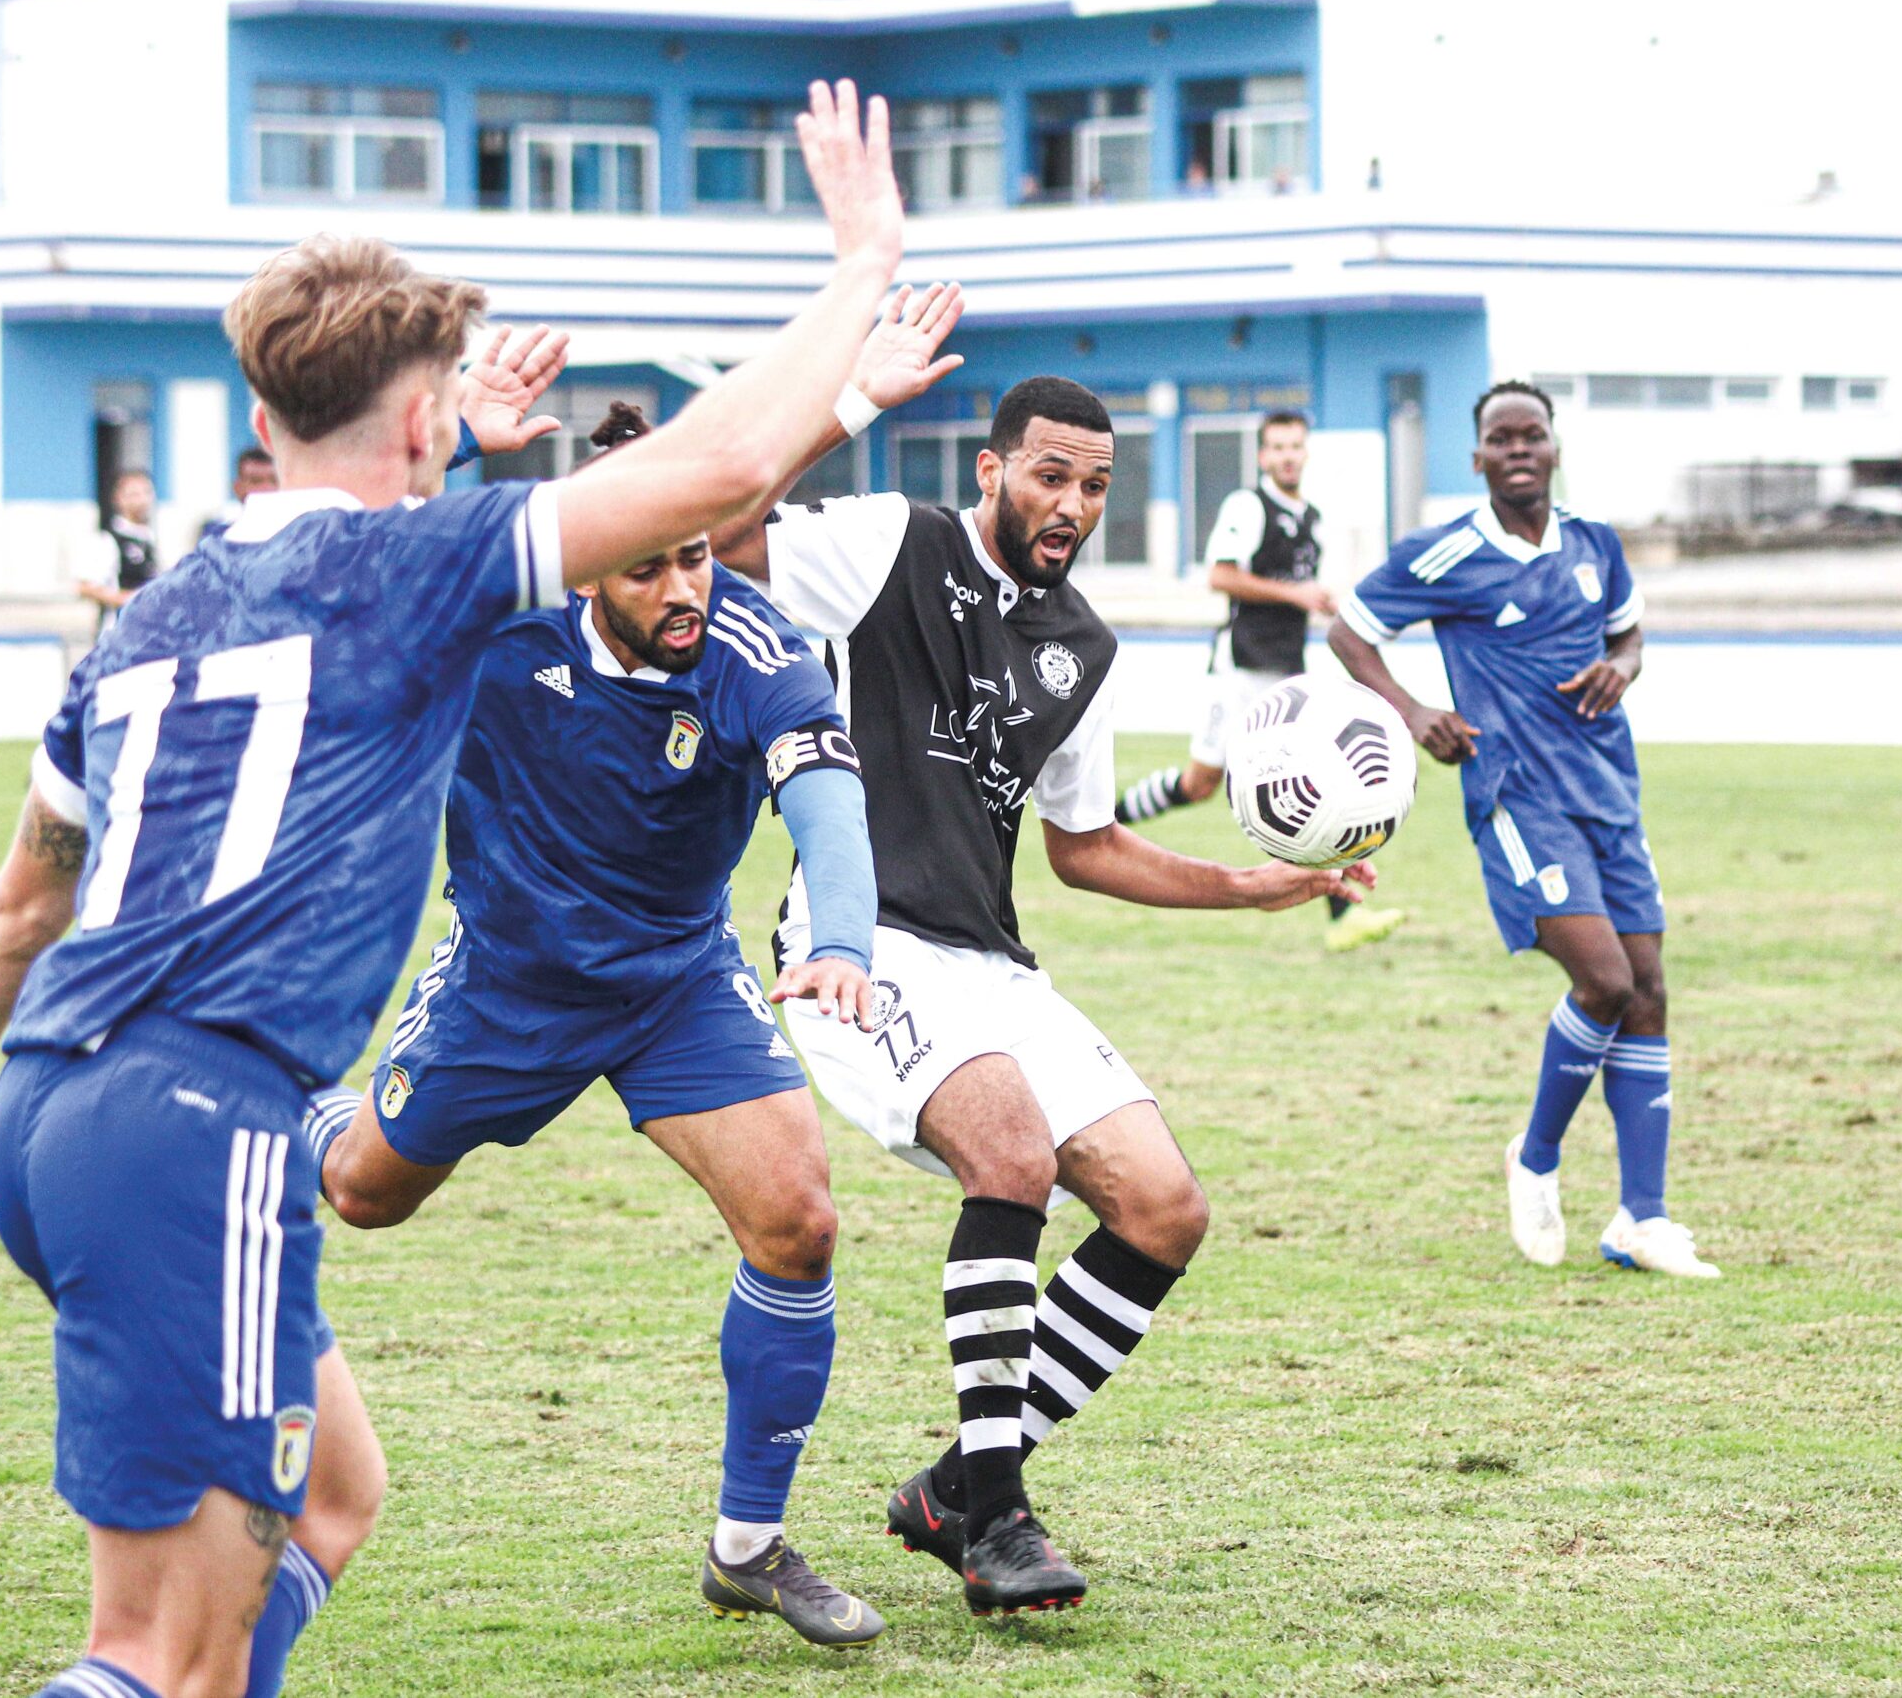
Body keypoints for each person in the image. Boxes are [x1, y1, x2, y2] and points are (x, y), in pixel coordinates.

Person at [0, 81, 909, 1698]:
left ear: (263, 431)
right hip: (195, 1127)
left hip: (44, 1105)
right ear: (429, 427)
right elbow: (723, 454)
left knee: (336, 1497)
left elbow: (24, 901)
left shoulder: (161, 610)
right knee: (156, 1650)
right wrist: (862, 252)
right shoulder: (426, 569)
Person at [311, 283, 963, 1649]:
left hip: (675, 979)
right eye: (652, 564)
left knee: (800, 1217)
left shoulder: (754, 647)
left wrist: (840, 939)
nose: (685, 589)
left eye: (699, 561)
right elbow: (360, 554)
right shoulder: (498, 624)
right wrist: (473, 447)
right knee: (364, 1195)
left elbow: (827, 798)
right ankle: (306, 1112)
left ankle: (748, 1543)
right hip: (509, 977)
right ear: (590, 561)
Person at [718, 374, 1371, 1617]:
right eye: (1051, 476)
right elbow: (737, 527)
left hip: (991, 961)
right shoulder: (886, 546)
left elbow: (1084, 847)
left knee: (1165, 1209)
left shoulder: (1083, 646)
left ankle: (955, 1484)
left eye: (1095, 486)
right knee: (1008, 1151)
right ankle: (999, 1515)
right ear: (993, 468)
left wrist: (1251, 887)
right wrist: (843, 397)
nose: (1072, 503)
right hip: (860, 944)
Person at [1328, 380, 1717, 1279]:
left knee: (1649, 986)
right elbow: (1350, 631)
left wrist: (1622, 666)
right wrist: (1414, 707)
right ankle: (1535, 1157)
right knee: (1606, 979)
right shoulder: (1447, 554)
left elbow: (1631, 639)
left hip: (1609, 790)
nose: (1517, 450)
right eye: (1499, 438)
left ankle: (1641, 1219)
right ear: (1477, 459)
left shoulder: (1595, 544)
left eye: (1531, 435)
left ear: (1553, 447)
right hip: (1515, 795)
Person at [1115, 408, 1408, 952]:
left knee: (1322, 778)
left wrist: (1316, 598)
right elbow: (1220, 574)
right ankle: (1109, 822)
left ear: (1306, 451)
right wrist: (1296, 594)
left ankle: (1344, 915)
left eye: (1295, 446)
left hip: (1286, 671)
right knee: (1200, 783)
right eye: (1277, 447)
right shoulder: (1247, 505)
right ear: (1263, 455)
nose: (1287, 456)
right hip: (1241, 669)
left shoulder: (1313, 516)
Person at [80, 468, 159, 634]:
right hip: (119, 636)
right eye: (134, 494)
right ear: (118, 499)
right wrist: (127, 598)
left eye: (147, 492)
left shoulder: (150, 537)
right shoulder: (108, 539)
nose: (142, 500)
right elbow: (85, 586)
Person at [198, 448, 281, 543]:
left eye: (274, 481)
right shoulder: (216, 535)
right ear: (238, 488)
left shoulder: (297, 532)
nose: (267, 489)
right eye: (256, 481)